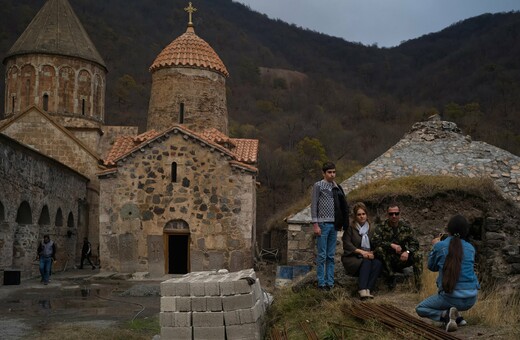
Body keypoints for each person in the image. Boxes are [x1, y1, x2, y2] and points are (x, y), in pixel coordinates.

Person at [415, 215, 480, 332]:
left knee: (421, 308)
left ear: (448, 230)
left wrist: (435, 246)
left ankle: (445, 316)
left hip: (451, 298)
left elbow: (432, 267)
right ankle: (458, 318)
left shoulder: (440, 246)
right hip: (471, 299)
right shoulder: (470, 248)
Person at [311, 161, 348, 290]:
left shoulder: (336, 187)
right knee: (322, 255)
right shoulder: (318, 186)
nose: (332, 175)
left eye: (334, 172)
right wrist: (315, 224)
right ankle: (321, 283)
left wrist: (342, 222)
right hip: (322, 223)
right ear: (324, 173)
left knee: (331, 256)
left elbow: (342, 206)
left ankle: (330, 283)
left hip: (334, 225)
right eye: (329, 172)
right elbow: (314, 205)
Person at [372, 204, 422, 290]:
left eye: (396, 213)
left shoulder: (406, 228)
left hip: (402, 258)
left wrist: (407, 252)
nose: (394, 216)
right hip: (387, 260)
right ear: (387, 215)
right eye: (391, 214)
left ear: (399, 214)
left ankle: (418, 287)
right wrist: (391, 245)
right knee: (379, 250)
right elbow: (375, 242)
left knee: (418, 255)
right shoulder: (381, 227)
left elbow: (415, 244)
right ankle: (391, 276)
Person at [341, 202, 382, 299]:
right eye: (359, 214)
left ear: (366, 215)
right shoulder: (350, 228)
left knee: (378, 263)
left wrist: (372, 252)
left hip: (367, 256)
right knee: (367, 261)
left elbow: (376, 243)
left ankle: (368, 289)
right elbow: (347, 244)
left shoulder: (371, 228)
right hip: (352, 258)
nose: (361, 216)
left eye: (363, 214)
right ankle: (362, 289)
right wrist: (362, 252)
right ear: (355, 216)